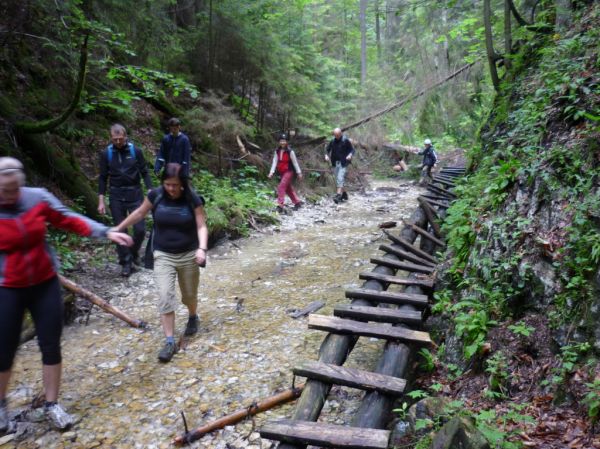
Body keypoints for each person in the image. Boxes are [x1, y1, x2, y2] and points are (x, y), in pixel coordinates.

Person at [0, 157, 132, 432]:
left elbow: (68, 219)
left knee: (51, 344)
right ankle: (1, 408)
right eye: (6, 190)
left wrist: (105, 232)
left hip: (44, 282)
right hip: (7, 287)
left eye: (16, 189)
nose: (12, 194)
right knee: (4, 350)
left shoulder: (36, 198)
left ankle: (52, 405)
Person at [112, 163, 208, 363]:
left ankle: (192, 316)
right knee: (165, 295)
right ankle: (170, 340)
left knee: (189, 294)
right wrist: (119, 228)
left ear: (182, 184)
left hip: (189, 253)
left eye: (175, 185)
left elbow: (201, 225)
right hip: (163, 254)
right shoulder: (156, 195)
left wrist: (202, 248)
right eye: (167, 184)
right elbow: (139, 213)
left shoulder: (192, 198)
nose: (171, 189)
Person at [98, 123, 153, 277]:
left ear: (125, 137)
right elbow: (103, 178)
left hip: (135, 193)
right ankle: (126, 263)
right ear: (111, 138)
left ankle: (133, 252)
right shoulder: (106, 154)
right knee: (120, 230)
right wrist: (101, 200)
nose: (118, 142)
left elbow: (144, 172)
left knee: (140, 230)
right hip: (116, 195)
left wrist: (150, 190)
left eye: (120, 139)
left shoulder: (136, 151)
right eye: (115, 139)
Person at [268, 134, 303, 213]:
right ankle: (297, 203)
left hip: (289, 171)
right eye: (281, 141)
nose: (282, 142)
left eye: (284, 141)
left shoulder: (290, 152)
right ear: (279, 142)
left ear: (286, 142)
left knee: (281, 187)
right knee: (288, 189)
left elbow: (295, 163)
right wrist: (271, 172)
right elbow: (274, 162)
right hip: (281, 172)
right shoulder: (277, 151)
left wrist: (299, 173)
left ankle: (280, 205)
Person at [325, 127, 355, 203]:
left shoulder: (345, 140)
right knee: (338, 179)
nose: (336, 136)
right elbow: (327, 150)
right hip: (335, 163)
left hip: (343, 163)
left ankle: (338, 196)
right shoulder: (332, 141)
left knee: (340, 178)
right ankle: (344, 194)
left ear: (341, 133)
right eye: (335, 135)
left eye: (338, 134)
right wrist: (326, 155)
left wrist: (350, 155)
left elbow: (352, 150)